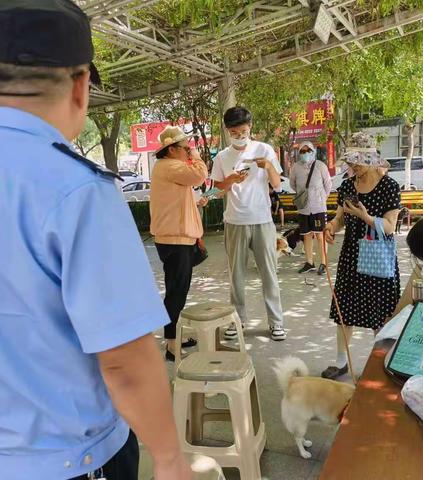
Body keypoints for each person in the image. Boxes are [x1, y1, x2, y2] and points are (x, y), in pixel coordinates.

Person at [0, 2, 191, 479]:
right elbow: (125, 359)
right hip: (66, 457)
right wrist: (169, 459)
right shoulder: (76, 188)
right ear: (81, 86)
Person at [321, 133, 401, 379]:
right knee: (344, 311)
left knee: (380, 313)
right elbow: (341, 215)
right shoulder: (347, 184)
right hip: (351, 257)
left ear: (372, 158)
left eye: (359, 160)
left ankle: (384, 363)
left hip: (377, 258)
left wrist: (366, 217)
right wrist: (332, 226)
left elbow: (389, 226)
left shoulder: (390, 187)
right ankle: (341, 361)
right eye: (351, 160)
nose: (353, 165)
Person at [211, 106, 286, 341]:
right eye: (234, 131)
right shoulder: (222, 157)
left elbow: (278, 186)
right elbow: (216, 191)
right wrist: (230, 180)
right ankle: (238, 321)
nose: (239, 135)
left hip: (262, 221)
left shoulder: (264, 150)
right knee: (236, 276)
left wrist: (269, 166)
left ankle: (276, 322)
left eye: (243, 130)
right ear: (227, 131)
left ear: (250, 127)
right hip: (235, 221)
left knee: (269, 274)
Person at [150, 126, 208, 361]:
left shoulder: (166, 168)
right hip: (175, 239)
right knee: (176, 292)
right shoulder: (171, 166)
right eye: (185, 148)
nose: (189, 152)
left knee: (177, 290)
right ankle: (172, 345)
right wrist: (196, 158)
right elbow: (199, 176)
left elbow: (180, 196)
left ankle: (175, 336)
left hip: (173, 237)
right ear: (171, 150)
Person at [290, 141, 333, 275]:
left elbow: (328, 185)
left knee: (320, 236)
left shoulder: (320, 166)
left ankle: (323, 263)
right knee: (306, 236)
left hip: (318, 208)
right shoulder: (295, 167)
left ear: (313, 151)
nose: (305, 153)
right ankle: (309, 263)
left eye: (308, 150)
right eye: (302, 151)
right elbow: (292, 184)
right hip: (303, 208)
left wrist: (321, 198)